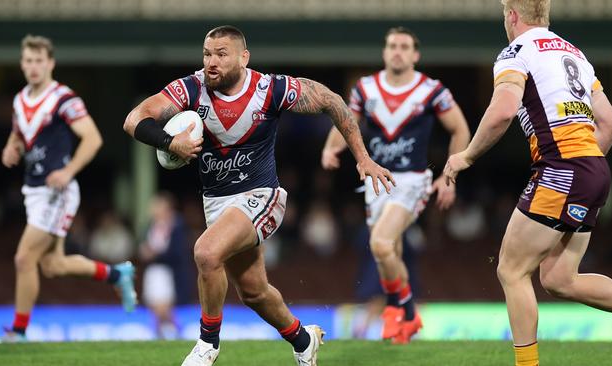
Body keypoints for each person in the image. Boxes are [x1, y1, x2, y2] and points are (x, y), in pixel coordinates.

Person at [123, 25, 394, 366]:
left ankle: (207, 344)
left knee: (206, 253)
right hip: (217, 203)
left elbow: (331, 101)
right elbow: (134, 119)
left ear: (243, 57)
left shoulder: (270, 89)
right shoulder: (190, 88)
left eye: (222, 54)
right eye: (207, 54)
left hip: (261, 195)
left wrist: (363, 158)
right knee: (253, 292)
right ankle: (303, 338)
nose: (212, 62)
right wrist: (169, 141)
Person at [443, 1, 612, 365]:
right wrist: (582, 167)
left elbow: (503, 110)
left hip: (562, 169)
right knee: (560, 278)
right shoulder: (575, 53)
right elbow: (610, 123)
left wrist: (466, 156)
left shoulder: (515, 53)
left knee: (511, 269)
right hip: (595, 168)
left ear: (512, 16)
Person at [321, 26, 470, 344]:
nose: (397, 51)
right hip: (376, 182)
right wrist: (331, 147)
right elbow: (348, 123)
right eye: (392, 46)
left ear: (415, 55)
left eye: (404, 46)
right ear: (385, 52)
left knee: (380, 244)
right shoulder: (365, 88)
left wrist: (449, 174)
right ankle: (406, 316)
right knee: (391, 254)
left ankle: (400, 311)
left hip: (412, 181)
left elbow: (460, 130)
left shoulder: (431, 90)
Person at [0, 35, 137, 342]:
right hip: (33, 190)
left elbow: (93, 138)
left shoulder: (64, 98)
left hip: (57, 191)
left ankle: (19, 332)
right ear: (22, 64)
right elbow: (19, 136)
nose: (34, 67)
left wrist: (68, 171)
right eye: (28, 61)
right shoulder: (20, 100)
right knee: (53, 265)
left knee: (24, 258)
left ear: (50, 63)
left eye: (39, 61)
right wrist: (11, 148)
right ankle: (117, 274)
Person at [139, 192, 194, 339]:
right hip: (153, 271)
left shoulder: (177, 224)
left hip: (168, 271)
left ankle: (175, 332)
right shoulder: (150, 225)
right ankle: (160, 335)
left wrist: (155, 254)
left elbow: (178, 251)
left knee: (163, 307)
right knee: (154, 307)